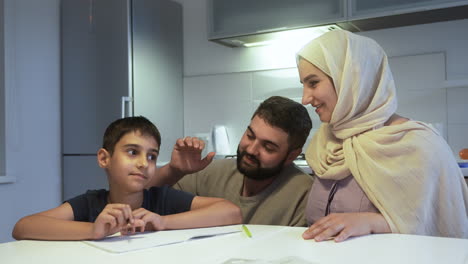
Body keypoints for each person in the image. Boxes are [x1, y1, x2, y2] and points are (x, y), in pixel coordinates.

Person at [296, 30, 468, 242]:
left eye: (313, 83)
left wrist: (374, 222)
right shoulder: (325, 141)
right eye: (303, 84)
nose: (305, 98)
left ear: (350, 78)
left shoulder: (420, 145)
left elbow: (443, 226)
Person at [12, 116, 242, 241]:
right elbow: (23, 227)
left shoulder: (161, 200)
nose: (144, 163)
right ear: (104, 158)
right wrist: (94, 230)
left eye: (152, 156)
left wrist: (163, 222)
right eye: (133, 152)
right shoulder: (91, 204)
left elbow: (231, 212)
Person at [150, 96, 313, 226]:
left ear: (292, 155)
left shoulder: (305, 195)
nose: (251, 150)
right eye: (250, 136)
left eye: (268, 147)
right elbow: (143, 198)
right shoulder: (214, 173)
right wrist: (173, 171)